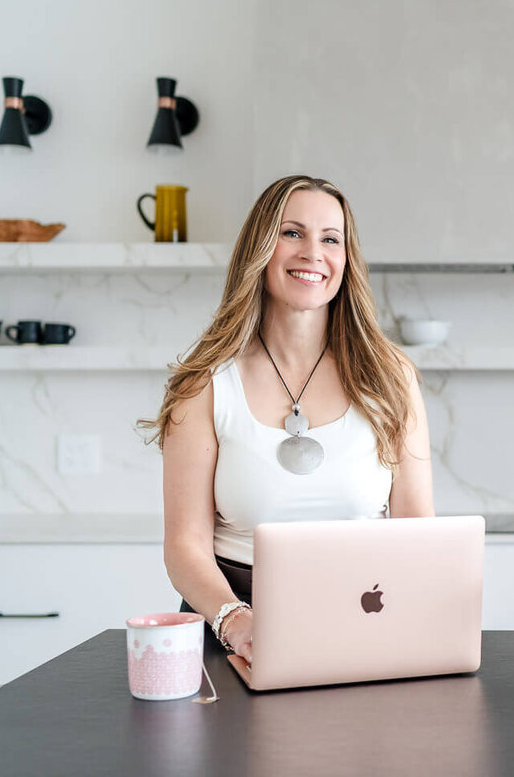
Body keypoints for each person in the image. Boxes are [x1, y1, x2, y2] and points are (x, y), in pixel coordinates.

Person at [139, 175, 434, 663]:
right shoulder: (205, 383)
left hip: (365, 617)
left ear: (346, 260)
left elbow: (417, 529)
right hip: (233, 626)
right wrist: (235, 620)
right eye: (292, 233)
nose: (312, 253)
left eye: (330, 238)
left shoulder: (392, 376)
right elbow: (184, 546)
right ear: (260, 248)